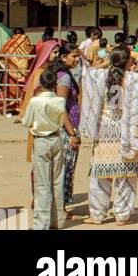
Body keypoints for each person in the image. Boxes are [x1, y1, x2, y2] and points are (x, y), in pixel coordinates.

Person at [81, 46, 138, 226]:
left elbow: (112, 101)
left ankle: (97, 215)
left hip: (106, 132)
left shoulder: (101, 76)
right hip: (128, 132)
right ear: (127, 62)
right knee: (126, 176)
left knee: (101, 177)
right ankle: (122, 215)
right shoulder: (134, 79)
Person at [22, 65, 79, 231]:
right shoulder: (60, 101)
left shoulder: (35, 101)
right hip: (56, 139)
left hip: (41, 141)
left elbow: (26, 121)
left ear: (40, 84)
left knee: (42, 184)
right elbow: (62, 119)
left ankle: (41, 224)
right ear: (55, 84)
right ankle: (57, 221)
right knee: (56, 182)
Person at [54, 41, 82, 214]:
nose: (77, 60)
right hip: (66, 127)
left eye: (78, 56)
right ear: (63, 57)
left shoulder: (63, 74)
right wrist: (71, 132)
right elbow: (60, 105)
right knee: (65, 169)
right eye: (74, 56)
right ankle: (60, 208)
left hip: (66, 126)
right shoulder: (63, 77)